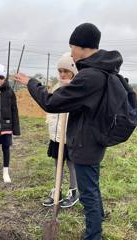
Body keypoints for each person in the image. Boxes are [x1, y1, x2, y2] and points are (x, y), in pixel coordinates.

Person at [14, 22, 124, 240]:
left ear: (84, 47)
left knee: (88, 192)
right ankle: (99, 218)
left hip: (85, 141)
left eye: (73, 47)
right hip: (94, 137)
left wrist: (31, 83)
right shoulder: (103, 70)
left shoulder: (90, 76)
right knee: (92, 183)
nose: (71, 53)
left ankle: (93, 235)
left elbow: (51, 102)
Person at [42, 53, 79, 209]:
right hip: (56, 135)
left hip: (70, 136)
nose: (63, 74)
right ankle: (56, 190)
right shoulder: (57, 87)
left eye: (66, 71)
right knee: (58, 164)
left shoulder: (77, 88)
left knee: (71, 164)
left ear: (73, 72)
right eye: (60, 71)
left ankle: (74, 191)